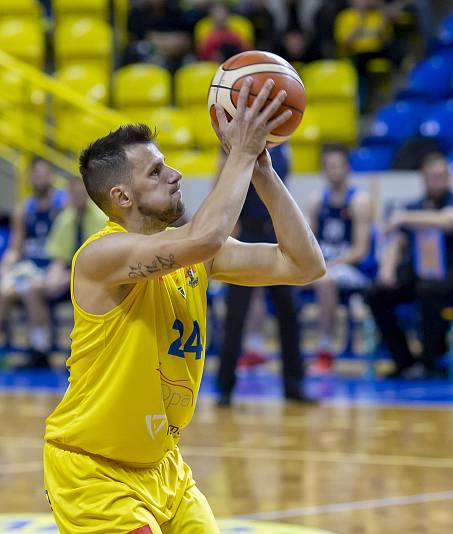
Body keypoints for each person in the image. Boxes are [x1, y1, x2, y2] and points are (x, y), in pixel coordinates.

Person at [43, 78, 325, 532]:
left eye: (167, 165)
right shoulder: (101, 256)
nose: (174, 174)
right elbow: (206, 236)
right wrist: (240, 153)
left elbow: (305, 264)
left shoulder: (196, 254)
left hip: (166, 470)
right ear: (122, 197)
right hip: (93, 474)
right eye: (155, 172)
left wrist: (263, 172)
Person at [216, 142, 317, 405]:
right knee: (235, 316)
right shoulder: (231, 146)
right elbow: (221, 190)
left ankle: (294, 385)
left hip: (276, 233)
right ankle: (225, 388)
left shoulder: (284, 146)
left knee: (290, 314)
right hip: (246, 233)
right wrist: (228, 231)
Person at [365, 152, 453, 379]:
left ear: (448, 177)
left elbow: (452, 220)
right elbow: (398, 240)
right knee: (376, 294)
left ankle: (431, 362)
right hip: (422, 271)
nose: (437, 180)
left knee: (428, 289)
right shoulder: (416, 206)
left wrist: (405, 217)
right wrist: (387, 269)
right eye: (432, 176)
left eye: (441, 176)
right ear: (423, 178)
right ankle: (404, 360)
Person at [307, 145, 372, 374]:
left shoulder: (359, 201)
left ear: (347, 168)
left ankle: (325, 350)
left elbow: (361, 249)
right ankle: (264, 348)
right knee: (280, 278)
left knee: (326, 280)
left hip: (350, 268)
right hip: (323, 263)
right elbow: (309, 243)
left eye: (338, 166)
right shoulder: (316, 200)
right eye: (329, 167)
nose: (334, 171)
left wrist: (332, 265)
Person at [0, 158, 67, 368]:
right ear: (29, 178)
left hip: (55, 268)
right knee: (4, 291)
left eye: (44, 173)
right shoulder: (23, 209)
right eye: (36, 174)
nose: (40, 178)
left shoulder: (63, 205)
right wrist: (6, 265)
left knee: (31, 290)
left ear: (51, 177)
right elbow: (15, 248)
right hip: (29, 269)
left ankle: (40, 350)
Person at [43, 176, 107, 308]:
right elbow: (58, 259)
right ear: (69, 195)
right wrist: (54, 276)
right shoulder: (64, 219)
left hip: (95, 274)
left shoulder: (102, 218)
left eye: (81, 192)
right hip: (69, 275)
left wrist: (70, 276)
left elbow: (101, 262)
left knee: (81, 287)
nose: (78, 196)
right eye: (75, 193)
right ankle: (42, 329)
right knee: (39, 288)